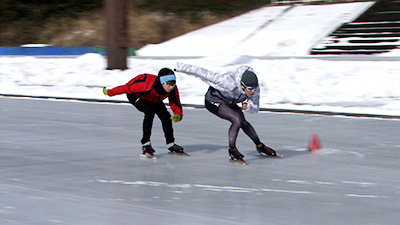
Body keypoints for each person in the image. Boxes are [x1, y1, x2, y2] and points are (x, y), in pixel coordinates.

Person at [175, 62, 277, 162]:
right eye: (250, 89)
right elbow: (202, 73)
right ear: (242, 86)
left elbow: (255, 108)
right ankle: (232, 149)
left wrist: (249, 107)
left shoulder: (255, 89)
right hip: (213, 100)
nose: (253, 91)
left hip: (229, 102)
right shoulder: (227, 82)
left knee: (243, 122)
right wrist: (179, 67)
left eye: (254, 88)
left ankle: (260, 146)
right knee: (236, 120)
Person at [103, 68, 186, 157]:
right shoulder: (145, 85)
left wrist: (178, 114)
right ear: (162, 82)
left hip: (154, 99)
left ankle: (170, 144)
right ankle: (145, 143)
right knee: (149, 112)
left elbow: (175, 102)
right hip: (136, 96)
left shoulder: (173, 89)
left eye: (173, 84)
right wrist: (109, 92)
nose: (172, 87)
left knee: (166, 116)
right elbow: (125, 88)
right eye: (169, 84)